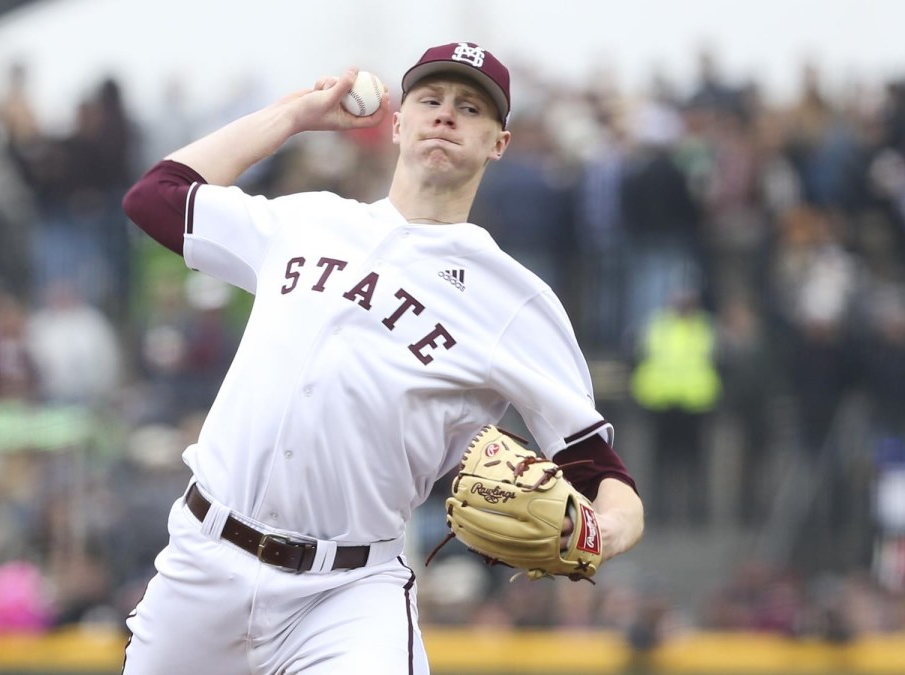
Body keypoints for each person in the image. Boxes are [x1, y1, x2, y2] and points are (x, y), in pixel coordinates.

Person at [120, 41, 645, 674]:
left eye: (471, 108)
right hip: (203, 560)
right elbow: (155, 195)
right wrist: (292, 117)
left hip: (344, 594)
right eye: (431, 99)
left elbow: (600, 470)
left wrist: (603, 531)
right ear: (397, 123)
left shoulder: (515, 300)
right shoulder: (307, 219)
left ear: (498, 143)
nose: (446, 115)